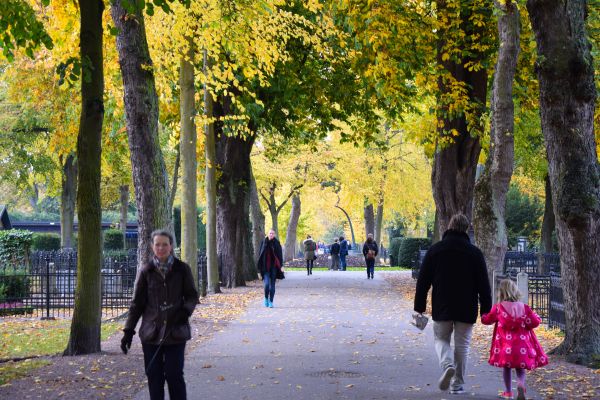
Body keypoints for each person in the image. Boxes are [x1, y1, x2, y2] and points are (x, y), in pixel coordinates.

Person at [413, 213, 492, 395]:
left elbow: (423, 281)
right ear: (466, 229)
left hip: (442, 304)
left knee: (441, 339)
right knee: (462, 345)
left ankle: (447, 364)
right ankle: (457, 385)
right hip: (467, 306)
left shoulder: (436, 250)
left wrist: (419, 307)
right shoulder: (475, 253)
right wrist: (486, 310)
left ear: (449, 226)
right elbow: (483, 284)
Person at [120, 229, 199, 400]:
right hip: (151, 333)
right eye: (157, 244)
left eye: (165, 244)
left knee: (174, 375)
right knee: (154, 377)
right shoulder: (146, 271)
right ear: (152, 246)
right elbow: (137, 304)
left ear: (171, 246)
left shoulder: (182, 269)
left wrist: (185, 311)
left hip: (175, 331)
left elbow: (192, 295)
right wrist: (128, 331)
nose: (161, 248)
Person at [481, 279, 548, 400]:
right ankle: (521, 385)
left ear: (500, 293)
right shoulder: (524, 308)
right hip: (522, 346)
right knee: (520, 368)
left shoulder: (498, 309)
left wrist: (483, 316)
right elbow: (534, 322)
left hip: (505, 347)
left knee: (506, 368)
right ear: (515, 291)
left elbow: (487, 320)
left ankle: (508, 393)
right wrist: (537, 316)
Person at [257, 229, 284, 308]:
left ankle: (271, 301)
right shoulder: (264, 242)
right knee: (266, 285)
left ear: (274, 235)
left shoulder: (276, 243)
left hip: (274, 268)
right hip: (265, 267)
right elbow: (260, 255)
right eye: (270, 233)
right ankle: (266, 298)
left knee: (272, 286)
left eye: (272, 233)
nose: (271, 235)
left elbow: (280, 255)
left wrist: (281, 265)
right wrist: (259, 269)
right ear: (267, 234)